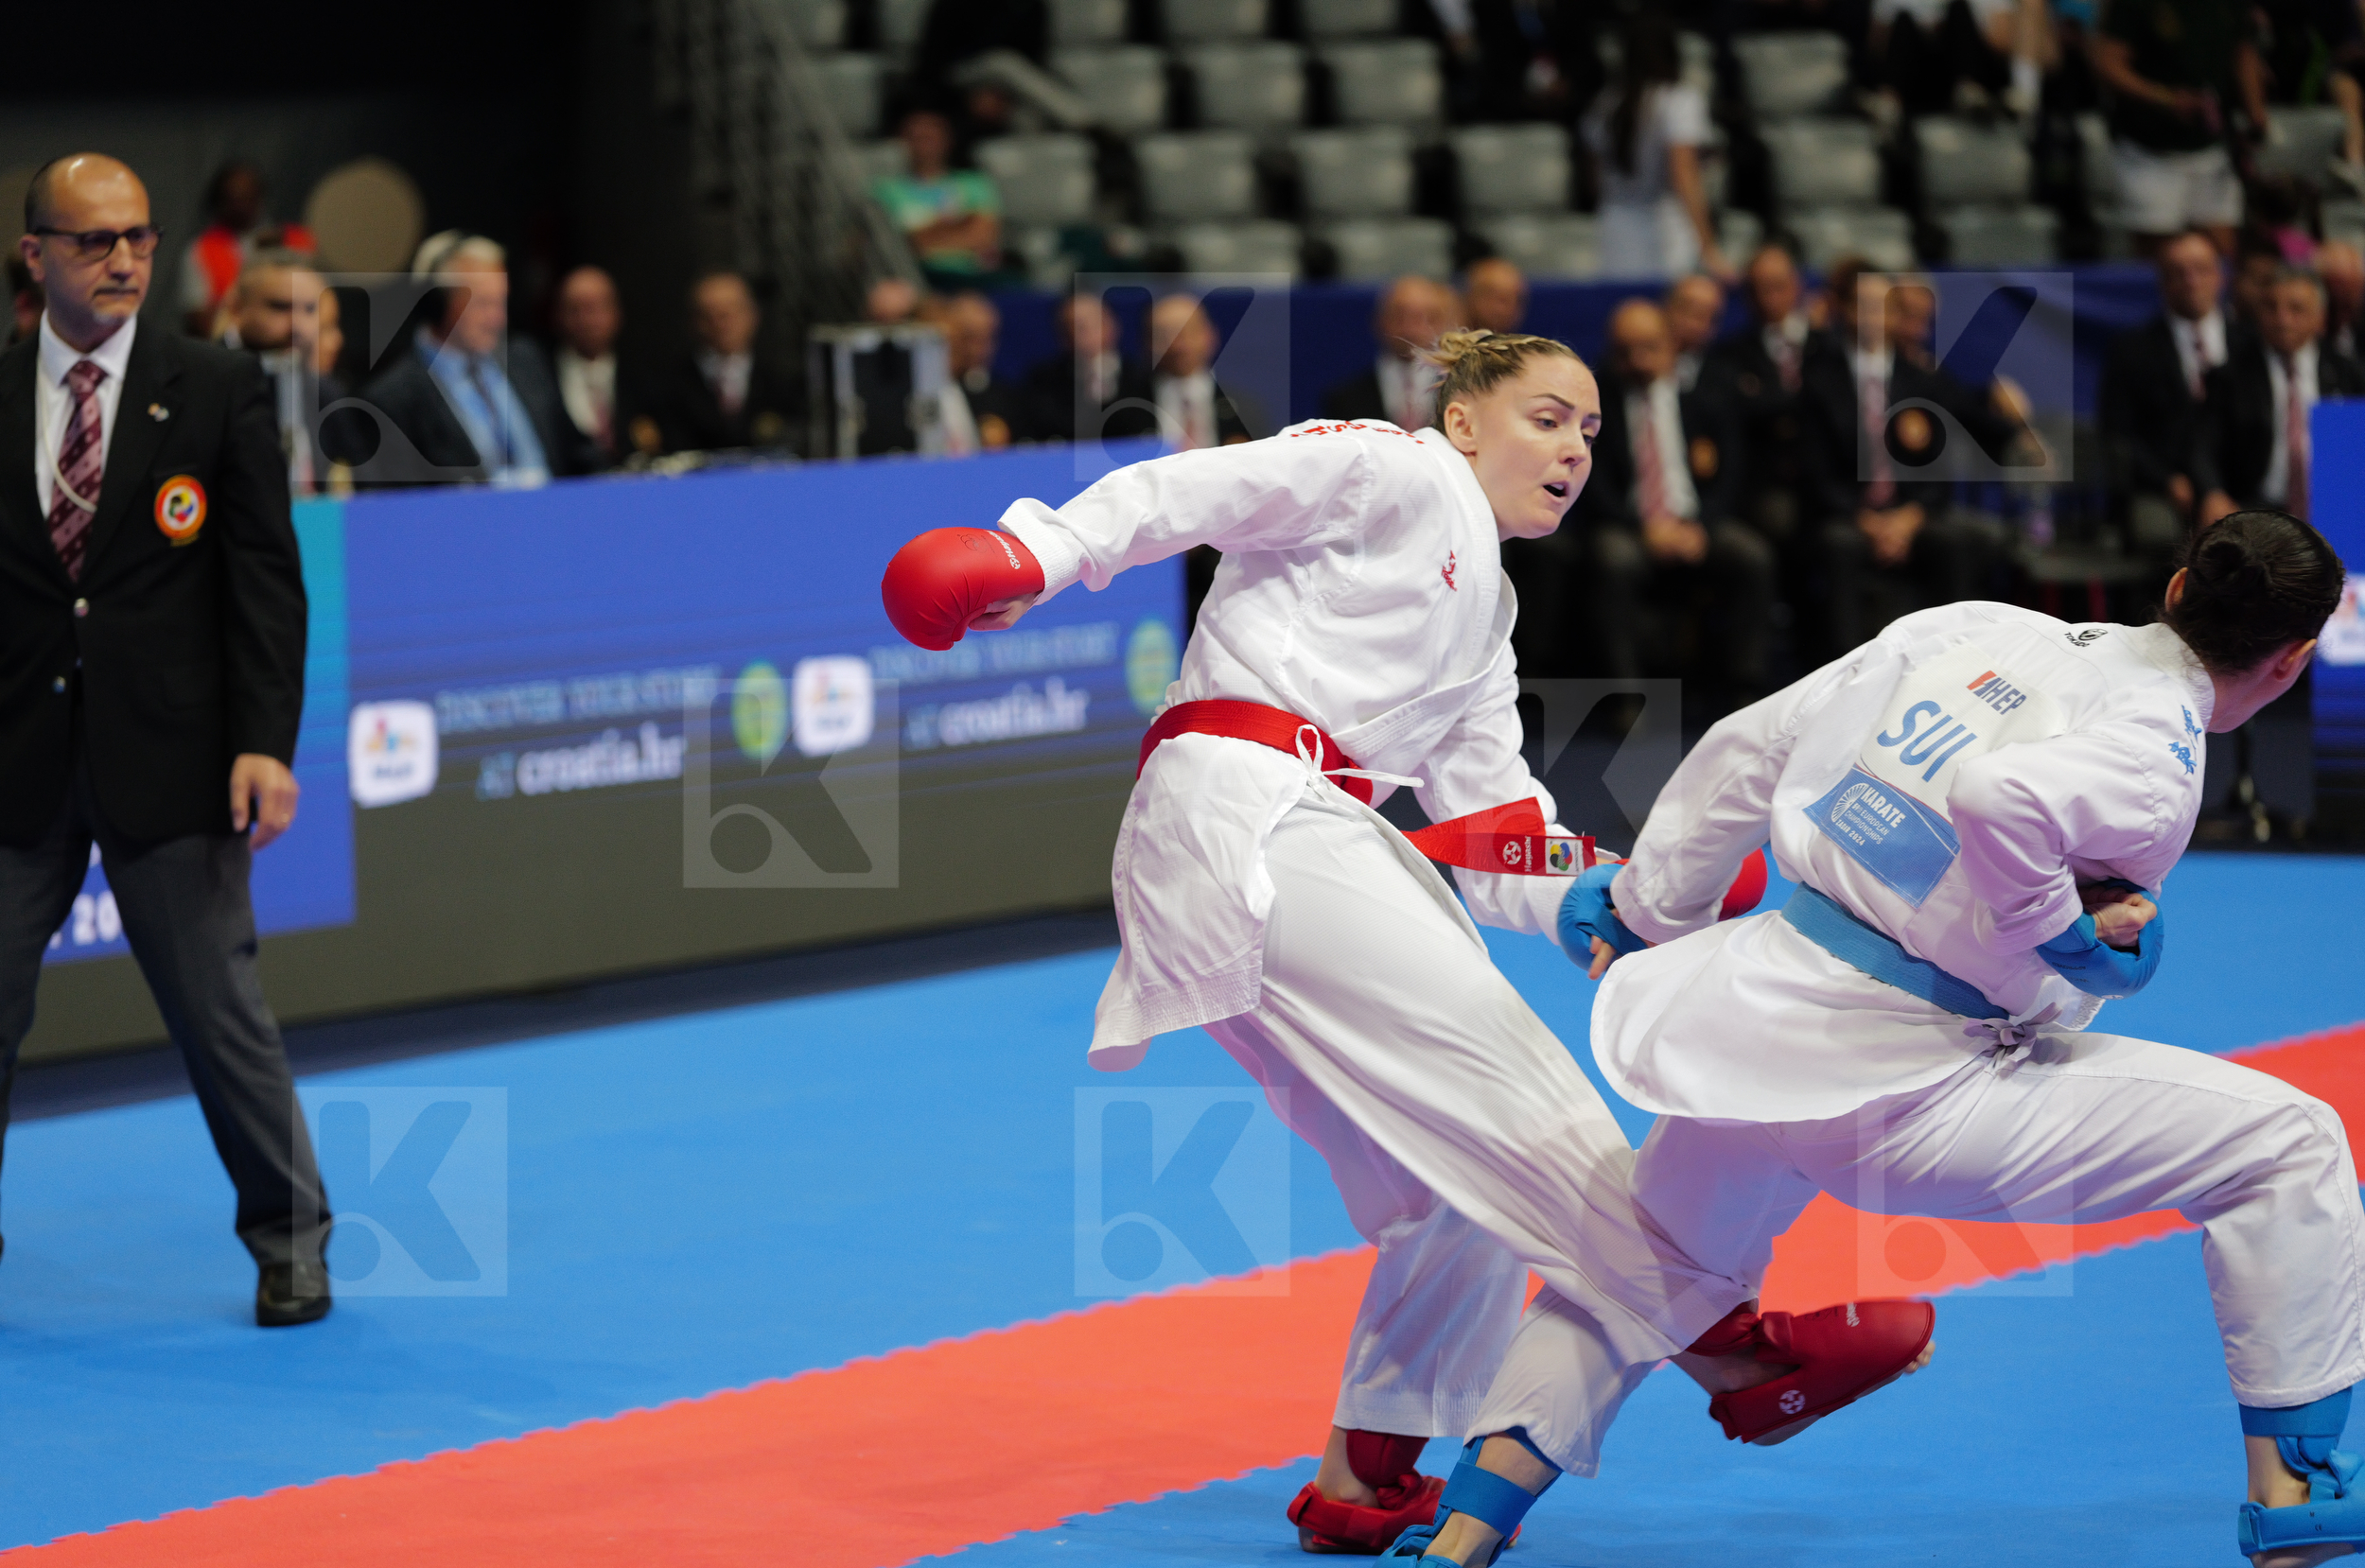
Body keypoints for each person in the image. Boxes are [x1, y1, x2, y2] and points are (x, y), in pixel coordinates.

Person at [881, 331, 1919, 1559]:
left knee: (1454, 1186)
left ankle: (1367, 1474)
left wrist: (1621, 896)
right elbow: (1190, 488)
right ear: (1465, 421)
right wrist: (1035, 551)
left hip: (1284, 844)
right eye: (1548, 417)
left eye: (1591, 432)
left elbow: (1489, 828)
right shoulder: (1387, 464)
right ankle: (1733, 1348)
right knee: (1516, 1092)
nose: (1577, 449)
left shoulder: (1489, 609)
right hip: (1257, 811)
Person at [1388, 510, 2363, 1568]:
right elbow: (2002, 799)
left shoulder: (1977, 625)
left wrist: (1642, 907)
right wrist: (2073, 947)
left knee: (1652, 1258)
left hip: (1751, 1018)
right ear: (2294, 659)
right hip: (1912, 1090)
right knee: (2291, 1142)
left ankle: (1466, 1526)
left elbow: (1743, 747)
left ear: (2174, 586)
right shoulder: (2158, 755)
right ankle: (2295, 1493)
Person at [2, 153, 328, 1327]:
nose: (126, 258)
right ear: (35, 255)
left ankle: (290, 1233)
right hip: (18, 763)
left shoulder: (215, 386)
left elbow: (265, 582)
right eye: (94, 241)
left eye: (138, 236)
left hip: (176, 754)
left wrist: (265, 740)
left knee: (217, 1011)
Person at [1804, 260, 2014, 655]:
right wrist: (1867, 521)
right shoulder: (1819, 379)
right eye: (1862, 305)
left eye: (1882, 305)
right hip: (1849, 515)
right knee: (1838, 545)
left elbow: (1938, 469)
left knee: (1952, 542)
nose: (1872, 315)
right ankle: (1844, 667)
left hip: (1909, 513)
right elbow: (1815, 473)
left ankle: (1949, 660)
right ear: (1844, 310)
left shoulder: (1921, 379)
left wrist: (1909, 518)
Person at [1582, 298, 1774, 715]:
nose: (1638, 360)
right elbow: (1591, 483)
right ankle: (1626, 696)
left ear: (1670, 345)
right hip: (1630, 524)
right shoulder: (1599, 406)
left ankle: (1746, 690)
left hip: (1697, 521)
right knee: (1612, 559)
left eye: (1648, 347)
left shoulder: (1707, 397)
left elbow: (1732, 474)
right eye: (1625, 351)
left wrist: (1701, 525)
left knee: (1752, 556)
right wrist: (1642, 527)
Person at [357, 234, 575, 487]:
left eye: (501, 303)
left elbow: (576, 451)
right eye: (483, 304)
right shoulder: (392, 400)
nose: (498, 320)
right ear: (439, 303)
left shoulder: (526, 359)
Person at [2098, 227, 2239, 564]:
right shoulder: (2132, 350)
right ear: (2162, 282)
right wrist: (2167, 480)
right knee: (2157, 532)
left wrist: (2217, 490)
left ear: (2220, 277)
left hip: (2237, 485)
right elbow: (2118, 433)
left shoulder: (2248, 345)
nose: (2191, 281)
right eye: (2178, 273)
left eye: (2201, 270)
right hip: (2162, 488)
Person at [2089, 0, 2265, 256]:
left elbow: (2243, 53)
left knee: (2222, 255)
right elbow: (2107, 63)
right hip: (2149, 151)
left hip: (2213, 149)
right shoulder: (2133, 5)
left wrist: (2256, 116)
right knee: (2160, 262)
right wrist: (2165, 99)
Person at [2195, 266, 2365, 524]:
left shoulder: (2347, 374)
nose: (2282, 320)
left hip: (2335, 504)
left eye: (2296, 309)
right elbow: (2203, 447)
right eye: (2271, 308)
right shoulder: (2230, 375)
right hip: (2254, 507)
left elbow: (2350, 460)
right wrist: (2212, 492)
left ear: (2320, 317)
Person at [1579, 14, 1729, 282]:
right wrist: (1709, 247)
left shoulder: (1602, 105)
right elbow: (1684, 176)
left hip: (1616, 229)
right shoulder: (1679, 101)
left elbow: (1594, 183)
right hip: (1666, 231)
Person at [646, 271, 799, 455]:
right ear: (693, 322)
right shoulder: (665, 386)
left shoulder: (782, 382)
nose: (720, 324)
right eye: (709, 315)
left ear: (753, 315)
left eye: (730, 312)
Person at [219, 249, 329, 497]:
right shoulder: (200, 383)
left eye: (310, 309)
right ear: (236, 306)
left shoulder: (324, 390)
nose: (297, 326)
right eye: (280, 307)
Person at [870, 111, 1005, 292]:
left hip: (970, 278)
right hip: (910, 277)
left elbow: (982, 236)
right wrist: (956, 226)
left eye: (931, 138)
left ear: (948, 141)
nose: (925, 145)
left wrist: (925, 236)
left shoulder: (974, 184)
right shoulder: (885, 191)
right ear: (904, 143)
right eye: (918, 138)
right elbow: (900, 245)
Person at [178, 161, 312, 340]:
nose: (240, 205)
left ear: (260, 196)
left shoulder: (295, 241)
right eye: (232, 198)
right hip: (231, 350)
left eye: (247, 197)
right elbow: (197, 316)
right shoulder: (202, 249)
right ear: (218, 202)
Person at [1320, 276, 1454, 429]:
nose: (1411, 329)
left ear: (1445, 323)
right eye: (1399, 316)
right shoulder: (1343, 398)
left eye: (1426, 318)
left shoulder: (1460, 394)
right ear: (1379, 320)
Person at [1021, 293, 1155, 444]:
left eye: (1091, 324)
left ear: (1112, 325)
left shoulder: (1144, 377)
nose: (1081, 335)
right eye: (1072, 327)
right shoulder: (1044, 381)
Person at [552, 265, 633, 470]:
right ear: (558, 316)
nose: (587, 320)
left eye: (596, 308)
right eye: (575, 309)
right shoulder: (541, 377)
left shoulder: (646, 378)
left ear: (617, 313)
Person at [932, 291, 1023, 455]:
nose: (978, 350)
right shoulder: (926, 393)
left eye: (988, 338)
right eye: (968, 338)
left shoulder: (999, 393)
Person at [1662, 272, 1724, 392]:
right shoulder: (1634, 364)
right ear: (1666, 307)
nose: (1689, 323)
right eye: (1685, 309)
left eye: (1700, 316)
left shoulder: (1724, 378)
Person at [1462, 256, 1528, 336]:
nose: (1502, 310)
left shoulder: (1530, 345)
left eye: (1516, 300)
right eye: (1498, 299)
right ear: (1471, 296)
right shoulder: (1447, 344)